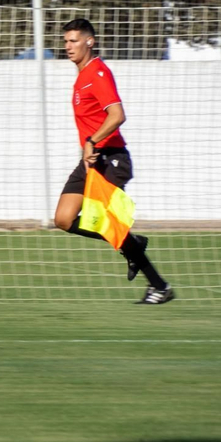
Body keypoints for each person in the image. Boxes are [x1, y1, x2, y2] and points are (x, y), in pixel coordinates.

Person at [53, 17, 174, 304]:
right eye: (65, 41)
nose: (68, 46)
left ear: (89, 41)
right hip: (91, 160)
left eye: (73, 40)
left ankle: (159, 286)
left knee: (109, 222)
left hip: (112, 158)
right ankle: (131, 243)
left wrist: (92, 141)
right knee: (63, 219)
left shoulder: (98, 73)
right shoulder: (81, 76)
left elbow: (117, 115)